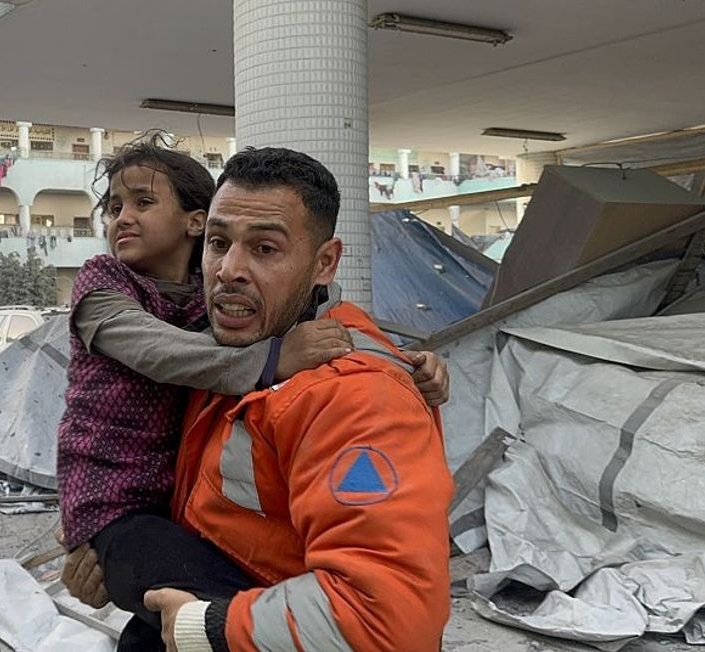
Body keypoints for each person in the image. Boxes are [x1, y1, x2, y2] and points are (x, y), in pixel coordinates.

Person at [58, 139, 451, 650]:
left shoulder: (354, 396)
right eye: (219, 244)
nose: (228, 270)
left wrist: (206, 624)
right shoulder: (230, 348)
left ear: (324, 263)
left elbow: (387, 621)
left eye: (265, 248)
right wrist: (109, 548)